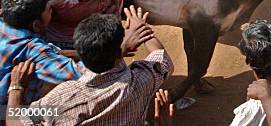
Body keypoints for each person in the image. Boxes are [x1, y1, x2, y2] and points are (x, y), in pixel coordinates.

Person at [7, 8, 173, 125]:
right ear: (119, 52)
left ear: (79, 51)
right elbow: (162, 58)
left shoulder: (63, 98)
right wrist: (142, 29)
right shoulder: (142, 81)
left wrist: (16, 87)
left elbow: (15, 121)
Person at [0, 0, 83, 107]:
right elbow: (79, 74)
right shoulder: (33, 50)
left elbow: (51, 52)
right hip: (9, 115)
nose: (52, 12)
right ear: (36, 25)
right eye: (49, 10)